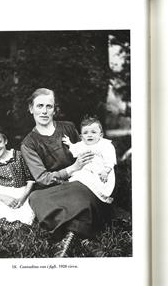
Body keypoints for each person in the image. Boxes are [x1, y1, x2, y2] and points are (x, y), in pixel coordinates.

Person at [21, 88, 111, 257]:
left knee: (83, 192)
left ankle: (69, 236)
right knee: (36, 198)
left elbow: (88, 152)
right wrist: (71, 168)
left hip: (80, 182)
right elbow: (42, 178)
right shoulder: (28, 143)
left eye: (49, 106)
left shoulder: (68, 128)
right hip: (54, 187)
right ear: (31, 108)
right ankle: (82, 236)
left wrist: (85, 168)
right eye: (39, 106)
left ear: (55, 109)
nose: (44, 111)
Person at [0, 125, 35, 226]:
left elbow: (30, 179)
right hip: (2, 197)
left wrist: (23, 198)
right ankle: (8, 226)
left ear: (5, 141)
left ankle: (20, 225)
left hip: (23, 194)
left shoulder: (19, 155)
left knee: (27, 215)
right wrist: (4, 198)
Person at [62, 115, 116, 203]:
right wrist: (69, 143)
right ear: (81, 136)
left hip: (101, 174)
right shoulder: (82, 144)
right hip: (87, 171)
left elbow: (110, 160)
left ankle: (103, 197)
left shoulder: (105, 145)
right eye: (86, 133)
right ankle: (74, 193)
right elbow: (75, 150)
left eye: (93, 132)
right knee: (79, 177)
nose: (89, 135)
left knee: (96, 184)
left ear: (101, 135)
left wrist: (106, 171)